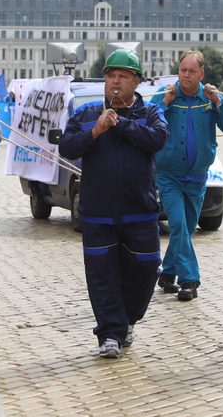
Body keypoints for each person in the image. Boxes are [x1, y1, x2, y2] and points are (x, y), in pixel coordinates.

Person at [59, 49, 169, 358]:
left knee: (147, 270)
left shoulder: (151, 113)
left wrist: (119, 125)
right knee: (101, 276)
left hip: (140, 211)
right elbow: (66, 147)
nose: (115, 81)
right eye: (110, 75)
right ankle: (109, 334)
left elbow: (157, 140)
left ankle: (128, 319)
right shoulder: (86, 114)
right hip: (97, 214)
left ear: (136, 82)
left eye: (122, 76)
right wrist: (96, 130)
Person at [151, 50, 223, 301]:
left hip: (199, 175)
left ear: (201, 74)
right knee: (178, 224)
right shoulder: (166, 95)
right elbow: (145, 122)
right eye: (182, 70)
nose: (186, 76)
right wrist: (164, 103)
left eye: (192, 71)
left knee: (187, 228)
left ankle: (168, 272)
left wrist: (218, 102)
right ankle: (190, 280)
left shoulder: (209, 97)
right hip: (169, 175)